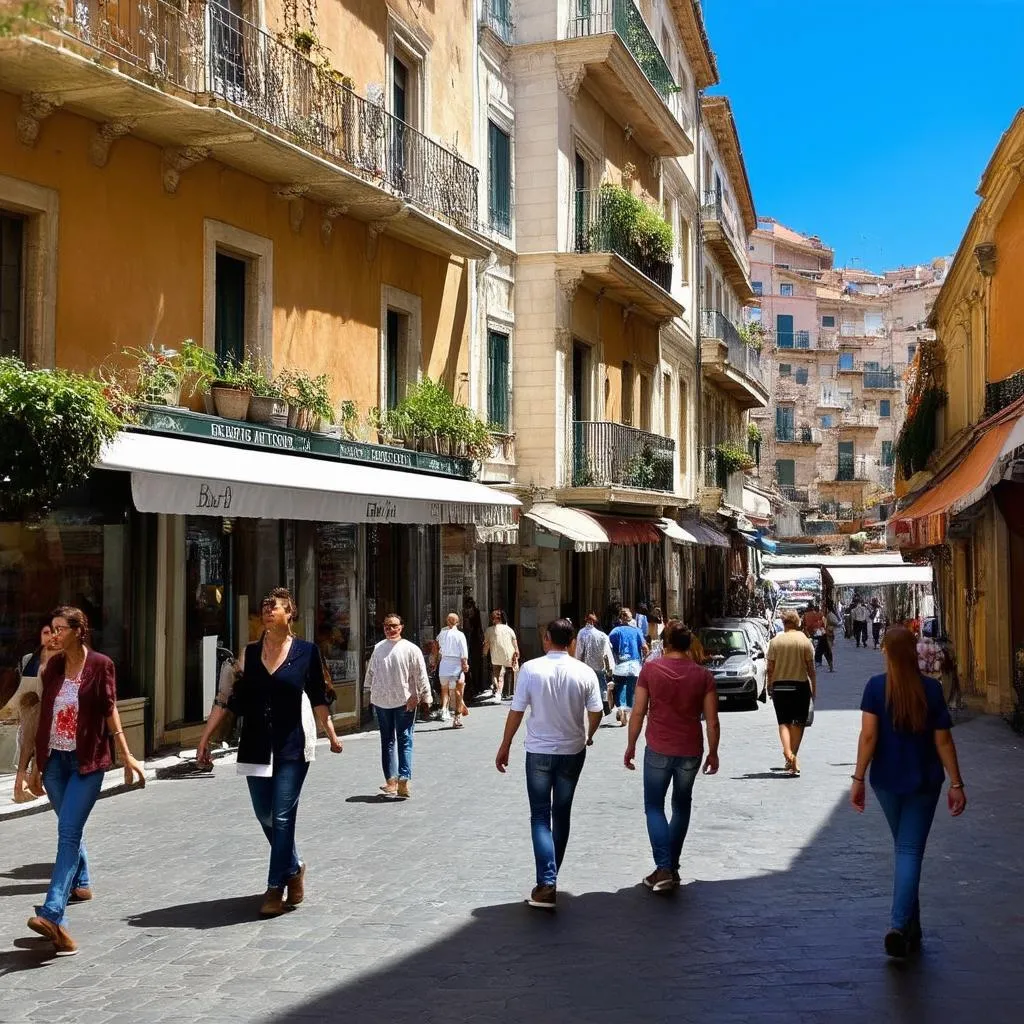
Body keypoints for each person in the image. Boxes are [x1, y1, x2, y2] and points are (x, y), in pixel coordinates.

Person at [198, 588, 342, 917]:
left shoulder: (306, 652)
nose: (267, 611)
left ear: (290, 613)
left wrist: (330, 734)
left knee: (281, 815)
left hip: (292, 744)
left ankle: (275, 887)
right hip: (256, 744)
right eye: (264, 607)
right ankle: (294, 867)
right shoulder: (249, 654)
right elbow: (228, 700)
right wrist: (205, 737)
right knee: (265, 814)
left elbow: (319, 696)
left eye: (274, 607)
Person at [25, 607, 146, 956]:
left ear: (80, 631)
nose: (54, 635)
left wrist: (127, 754)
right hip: (55, 764)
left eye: (61, 629)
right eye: (52, 629)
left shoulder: (101, 665)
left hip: (87, 763)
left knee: (67, 833)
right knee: (69, 828)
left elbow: (110, 709)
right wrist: (35, 765)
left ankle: (52, 912)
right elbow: (43, 717)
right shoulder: (51, 670)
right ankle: (82, 882)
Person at [850, 626, 966, 958]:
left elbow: (869, 738)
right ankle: (905, 927)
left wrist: (858, 778)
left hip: (886, 781)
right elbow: (943, 741)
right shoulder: (930, 690)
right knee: (909, 851)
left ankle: (903, 926)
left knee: (905, 850)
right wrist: (956, 783)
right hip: (924, 782)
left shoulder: (875, 688)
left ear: (887, 652)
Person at [494, 619, 603, 910]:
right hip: (572, 750)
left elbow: (516, 711)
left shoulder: (530, 669)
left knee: (540, 816)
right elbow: (597, 711)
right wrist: (588, 735)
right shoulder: (585, 672)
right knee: (562, 813)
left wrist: (505, 745)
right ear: (572, 643)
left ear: (546, 639)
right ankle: (550, 878)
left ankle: (547, 882)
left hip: (539, 752)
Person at [624, 623, 720, 892]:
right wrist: (713, 752)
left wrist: (631, 744)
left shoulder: (651, 670)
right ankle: (671, 867)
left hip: (658, 747)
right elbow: (712, 721)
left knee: (654, 807)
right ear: (688, 644)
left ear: (664, 643)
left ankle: (664, 867)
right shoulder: (703, 676)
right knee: (681, 805)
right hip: (691, 750)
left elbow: (639, 711)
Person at [365, 612, 432, 799]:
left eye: (394, 625)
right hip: (382, 701)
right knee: (388, 740)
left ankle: (403, 778)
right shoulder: (378, 648)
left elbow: (420, 674)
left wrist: (424, 696)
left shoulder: (411, 649)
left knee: (403, 738)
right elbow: (371, 673)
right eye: (387, 626)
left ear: (401, 627)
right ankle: (392, 781)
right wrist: (368, 692)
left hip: (405, 701)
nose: (390, 629)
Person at [7, 618, 56, 803]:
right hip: (32, 708)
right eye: (46, 633)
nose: (51, 637)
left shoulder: (43, 657)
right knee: (29, 746)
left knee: (39, 746)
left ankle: (34, 781)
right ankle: (21, 786)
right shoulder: (32, 658)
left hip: (40, 708)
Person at [766, 608, 817, 776]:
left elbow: (770, 668)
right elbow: (811, 669)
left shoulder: (775, 642)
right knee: (798, 723)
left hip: (780, 687)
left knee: (783, 722)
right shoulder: (804, 641)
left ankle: (788, 755)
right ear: (798, 622)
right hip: (799, 687)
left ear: (783, 623)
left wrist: (769, 686)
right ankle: (792, 755)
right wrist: (814, 688)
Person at [609, 608, 648, 728]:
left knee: (620, 687)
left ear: (620, 618)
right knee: (631, 688)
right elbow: (645, 648)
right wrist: (646, 657)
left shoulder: (615, 631)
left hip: (621, 663)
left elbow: (609, 645)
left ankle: (620, 709)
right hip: (634, 664)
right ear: (630, 618)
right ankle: (626, 711)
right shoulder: (637, 631)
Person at [433, 613, 470, 728]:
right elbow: (463, 652)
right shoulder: (460, 635)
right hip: (456, 665)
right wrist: (465, 664)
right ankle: (457, 718)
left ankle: (445, 710)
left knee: (444, 689)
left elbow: (437, 649)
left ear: (447, 621)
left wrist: (435, 662)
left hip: (444, 664)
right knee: (459, 691)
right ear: (458, 622)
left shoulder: (442, 634)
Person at [575, 612, 614, 710]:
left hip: (586, 665)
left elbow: (579, 650)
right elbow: (607, 652)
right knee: (602, 684)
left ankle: (590, 705)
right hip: (599, 665)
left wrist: (577, 662)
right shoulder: (602, 635)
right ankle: (605, 705)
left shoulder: (582, 633)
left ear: (587, 620)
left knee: (587, 685)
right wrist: (609, 667)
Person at [483, 609, 519, 702]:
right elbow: (514, 641)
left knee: (496, 672)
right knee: (509, 671)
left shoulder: (489, 630)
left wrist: (484, 653)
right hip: (509, 654)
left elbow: (486, 644)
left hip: (496, 655)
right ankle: (508, 691)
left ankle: (498, 691)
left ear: (493, 619)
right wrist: (517, 651)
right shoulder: (509, 629)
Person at [803, 602, 832, 673]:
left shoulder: (805, 615)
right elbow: (824, 622)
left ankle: (814, 664)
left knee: (812, 650)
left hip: (811, 635)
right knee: (825, 650)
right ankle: (830, 665)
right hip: (821, 634)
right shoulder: (820, 614)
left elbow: (803, 626)